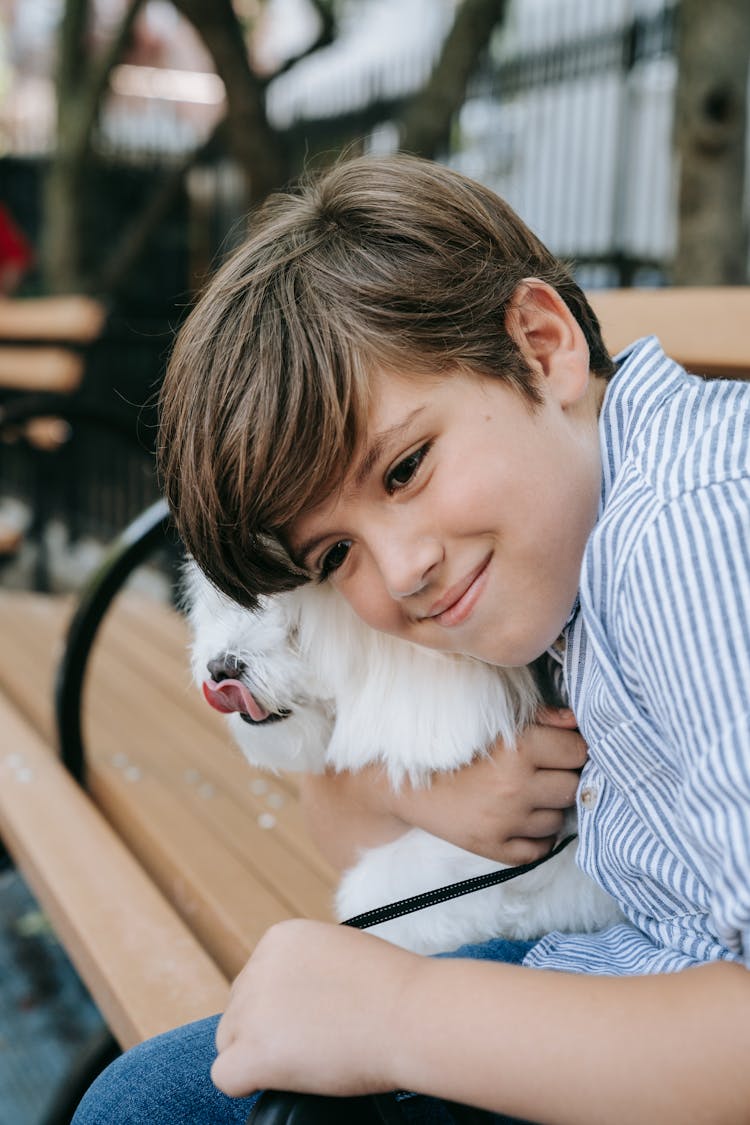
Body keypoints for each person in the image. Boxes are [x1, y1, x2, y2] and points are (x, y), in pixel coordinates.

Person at [73, 154, 749, 1124]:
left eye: (405, 469)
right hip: (630, 969)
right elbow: (334, 814)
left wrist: (399, 1015)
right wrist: (419, 791)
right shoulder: (554, 535)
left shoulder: (691, 533)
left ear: (541, 343)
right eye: (336, 552)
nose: (398, 573)